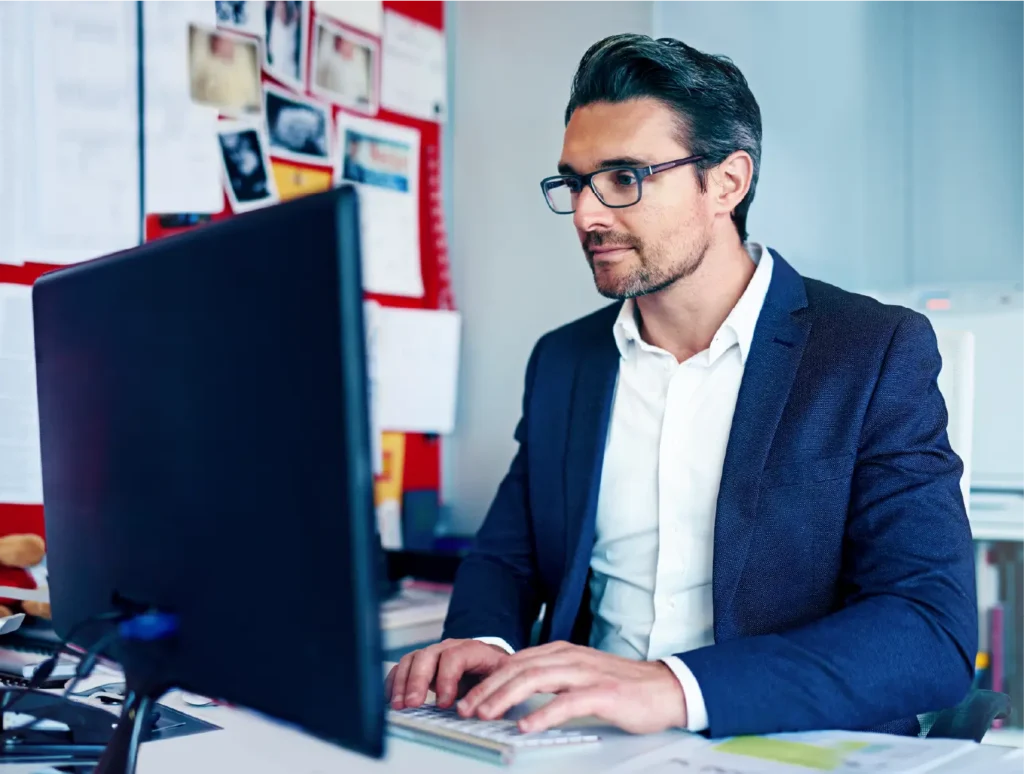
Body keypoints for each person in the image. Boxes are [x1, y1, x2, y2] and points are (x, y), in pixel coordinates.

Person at [385, 34, 978, 739]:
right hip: (580, 744)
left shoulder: (871, 351)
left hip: (779, 741)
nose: (587, 215)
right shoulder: (564, 361)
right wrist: (485, 646)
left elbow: (927, 630)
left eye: (624, 178)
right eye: (575, 182)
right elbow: (506, 559)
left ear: (727, 182)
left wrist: (675, 688)